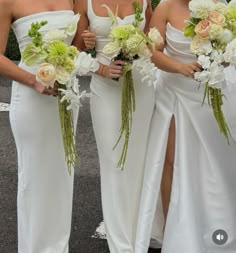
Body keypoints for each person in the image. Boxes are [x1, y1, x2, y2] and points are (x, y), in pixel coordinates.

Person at [135, 0, 236, 252]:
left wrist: (218, 60)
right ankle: (173, 227)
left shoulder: (221, 8)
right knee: (170, 159)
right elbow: (152, 51)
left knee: (213, 159)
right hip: (173, 93)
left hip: (210, 93)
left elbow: (229, 49)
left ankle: (217, 221)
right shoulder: (165, 7)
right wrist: (179, 67)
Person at [0, 0, 94, 252]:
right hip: (31, 96)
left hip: (65, 93)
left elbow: (74, 48)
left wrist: (83, 43)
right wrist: (34, 81)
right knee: (33, 177)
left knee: (63, 174)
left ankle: (57, 247)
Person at [73, 0, 155, 252]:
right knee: (114, 162)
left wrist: (142, 46)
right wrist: (86, 45)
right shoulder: (83, 2)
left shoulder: (143, 2)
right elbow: (72, 51)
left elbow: (154, 41)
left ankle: (140, 232)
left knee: (139, 162)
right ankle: (122, 244)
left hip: (141, 86)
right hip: (105, 88)